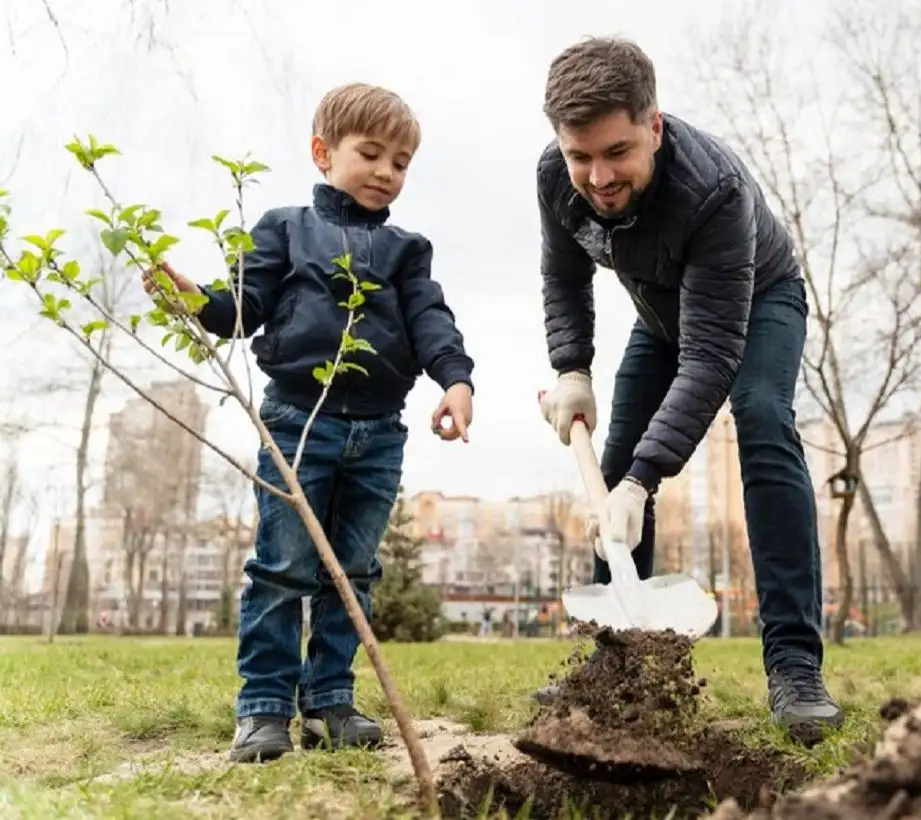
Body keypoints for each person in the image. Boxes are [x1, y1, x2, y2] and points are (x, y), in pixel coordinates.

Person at [144, 82, 475, 763]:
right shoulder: (284, 228)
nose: (387, 172)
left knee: (351, 571)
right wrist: (194, 299)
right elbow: (241, 309)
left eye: (402, 162)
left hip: (379, 433)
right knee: (283, 566)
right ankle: (263, 709)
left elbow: (431, 320)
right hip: (299, 421)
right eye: (372, 154)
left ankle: (330, 702)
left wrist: (456, 380)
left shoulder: (408, 251)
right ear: (324, 152)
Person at [533, 37, 843, 744]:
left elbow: (710, 357)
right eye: (581, 156)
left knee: (762, 418)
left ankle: (795, 666)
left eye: (617, 153)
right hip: (660, 307)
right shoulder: (556, 176)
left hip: (758, 299)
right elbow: (563, 276)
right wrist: (572, 370)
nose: (598, 176)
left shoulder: (714, 190)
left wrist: (647, 481)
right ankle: (616, 668)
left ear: (654, 126)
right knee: (614, 462)